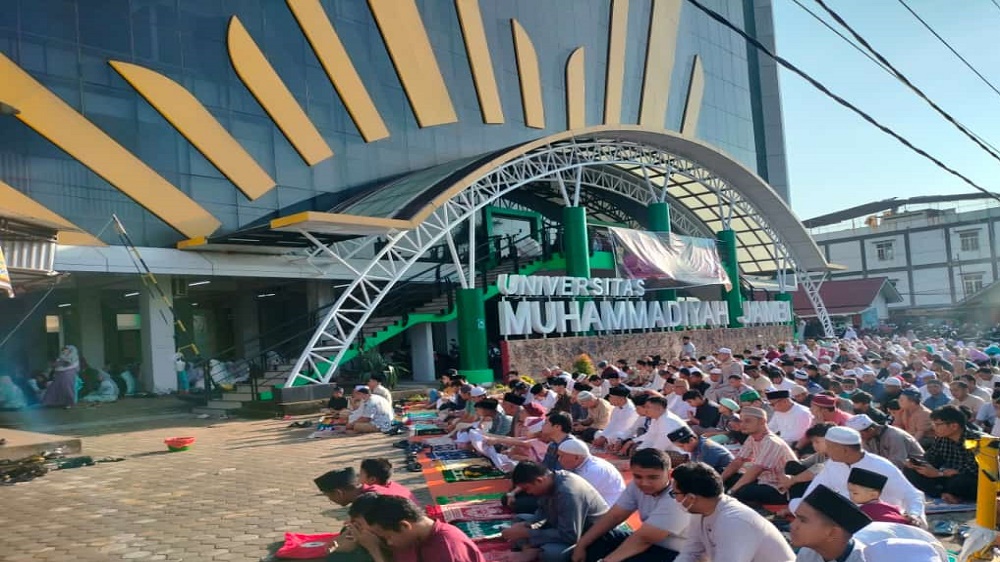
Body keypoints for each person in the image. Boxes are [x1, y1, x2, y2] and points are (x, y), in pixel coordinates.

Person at [571, 449, 691, 562]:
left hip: (676, 554)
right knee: (595, 535)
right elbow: (614, 516)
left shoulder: (678, 497)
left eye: (653, 477)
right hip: (649, 543)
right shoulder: (636, 486)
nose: (644, 483)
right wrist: (581, 545)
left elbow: (643, 540)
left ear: (670, 474)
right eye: (638, 476)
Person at [671, 461, 795, 562]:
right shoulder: (700, 512)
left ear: (691, 497)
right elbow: (691, 552)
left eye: (674, 494)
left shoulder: (733, 521)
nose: (674, 499)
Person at [803, 426, 926, 527]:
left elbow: (913, 495)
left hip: (881, 519)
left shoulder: (880, 465)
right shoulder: (833, 464)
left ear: (845, 450)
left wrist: (914, 514)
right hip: (846, 518)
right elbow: (811, 494)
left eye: (829, 447)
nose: (826, 451)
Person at [500, 461, 609, 562]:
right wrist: (527, 525)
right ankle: (528, 548)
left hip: (587, 534)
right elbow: (542, 512)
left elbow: (570, 536)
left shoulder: (567, 493)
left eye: (527, 489)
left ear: (539, 480)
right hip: (559, 525)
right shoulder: (550, 481)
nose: (528, 493)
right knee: (520, 519)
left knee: (550, 554)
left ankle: (535, 549)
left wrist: (527, 533)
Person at [363, 494, 485, 562]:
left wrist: (376, 553)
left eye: (388, 537)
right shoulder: (417, 537)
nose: (389, 542)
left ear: (404, 526)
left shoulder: (447, 550)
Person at [902, 404, 980, 503]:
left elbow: (973, 469)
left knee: (959, 482)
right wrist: (917, 464)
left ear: (954, 426)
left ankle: (955, 495)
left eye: (937, 424)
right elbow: (930, 458)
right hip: (946, 476)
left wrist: (939, 473)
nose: (934, 428)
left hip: (969, 479)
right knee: (911, 471)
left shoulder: (973, 440)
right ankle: (944, 494)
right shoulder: (942, 438)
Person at [719, 406, 797, 505]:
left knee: (742, 491)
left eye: (747, 421)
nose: (742, 425)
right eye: (741, 421)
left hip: (779, 488)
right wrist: (719, 481)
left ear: (762, 421)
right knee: (724, 473)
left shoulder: (772, 442)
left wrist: (732, 491)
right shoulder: (752, 438)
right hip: (762, 480)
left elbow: (756, 470)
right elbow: (738, 461)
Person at [790, 485, 872, 562]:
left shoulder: (865, 559)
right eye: (796, 517)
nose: (792, 525)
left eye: (803, 520)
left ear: (832, 533)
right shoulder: (808, 553)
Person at [556, 438, 626, 506]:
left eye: (561, 456)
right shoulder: (584, 464)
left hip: (609, 509)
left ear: (576, 457)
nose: (559, 459)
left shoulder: (594, 470)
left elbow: (578, 498)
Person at [846, 414, 924, 469]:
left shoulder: (894, 435)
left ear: (871, 430)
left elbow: (898, 463)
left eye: (860, 435)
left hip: (914, 471)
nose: (860, 438)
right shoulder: (867, 437)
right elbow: (867, 459)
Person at [314, 467, 417, 507]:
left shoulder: (368, 502)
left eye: (329, 497)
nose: (331, 500)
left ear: (338, 493)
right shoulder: (380, 484)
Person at [847, 467, 911, 525]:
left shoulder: (866, 511)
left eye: (855, 493)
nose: (850, 495)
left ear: (873, 494)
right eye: (849, 491)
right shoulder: (891, 507)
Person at [667, 426, 733, 474]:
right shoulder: (696, 447)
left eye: (682, 446)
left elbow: (702, 473)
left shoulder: (706, 448)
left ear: (692, 440)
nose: (682, 449)